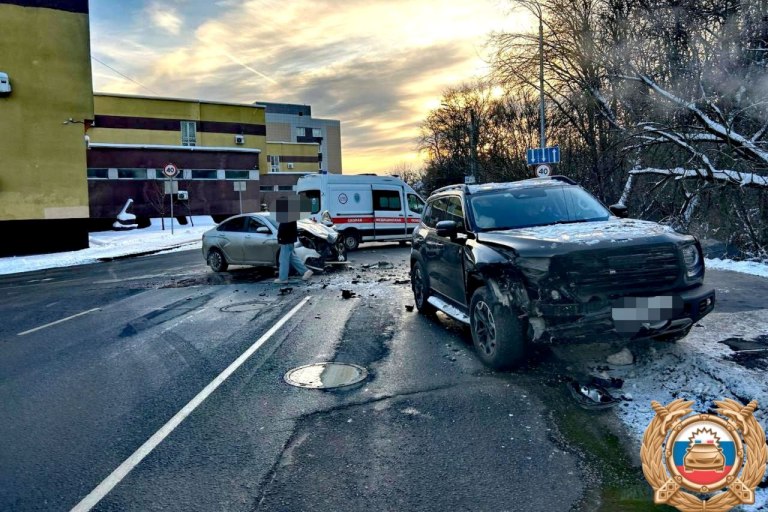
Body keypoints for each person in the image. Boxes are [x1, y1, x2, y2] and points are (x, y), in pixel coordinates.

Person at [276, 217, 313, 284]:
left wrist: (280, 238)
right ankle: (306, 271)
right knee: (292, 257)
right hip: (289, 239)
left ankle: (283, 278)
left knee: (283, 259)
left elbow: (283, 228)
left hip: (286, 240)